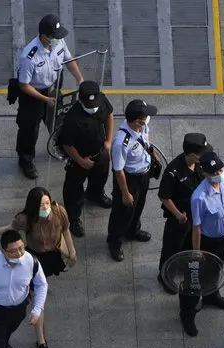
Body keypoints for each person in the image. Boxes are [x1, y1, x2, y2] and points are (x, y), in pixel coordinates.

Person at [0, 187, 76, 348]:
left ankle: (34, 302)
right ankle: (41, 341)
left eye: (47, 202)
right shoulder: (25, 219)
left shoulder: (59, 212)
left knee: (41, 287)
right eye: (40, 205)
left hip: (52, 256)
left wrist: (72, 252)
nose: (45, 207)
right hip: (34, 257)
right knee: (39, 297)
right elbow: (10, 228)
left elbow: (66, 231)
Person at [16, 14, 84, 179]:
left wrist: (80, 79)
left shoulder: (59, 41)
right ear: (44, 36)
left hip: (53, 88)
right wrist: (45, 99)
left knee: (58, 121)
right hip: (33, 94)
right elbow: (23, 85)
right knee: (29, 129)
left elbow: (69, 60)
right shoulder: (29, 56)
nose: (58, 39)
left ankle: (62, 147)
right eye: (54, 36)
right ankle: (26, 160)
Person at [180, 151, 224, 336]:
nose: (220, 173)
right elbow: (196, 226)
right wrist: (196, 252)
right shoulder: (199, 197)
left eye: (221, 168)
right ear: (205, 173)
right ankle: (187, 314)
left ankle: (211, 296)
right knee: (194, 281)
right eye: (215, 171)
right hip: (206, 243)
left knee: (215, 270)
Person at [157, 133, 212, 293]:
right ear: (192, 154)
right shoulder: (173, 171)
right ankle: (165, 276)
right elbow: (164, 197)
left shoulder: (200, 165)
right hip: (180, 218)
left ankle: (181, 267)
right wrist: (178, 215)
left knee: (189, 245)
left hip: (196, 216)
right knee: (171, 247)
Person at [59, 80, 115, 237]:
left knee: (101, 176)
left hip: (100, 152)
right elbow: (67, 145)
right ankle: (74, 218)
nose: (93, 108)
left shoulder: (102, 100)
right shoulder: (72, 118)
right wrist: (80, 161)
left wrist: (108, 141)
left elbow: (109, 117)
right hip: (80, 158)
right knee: (73, 189)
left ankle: (95, 194)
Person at [106, 99, 158, 261]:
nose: (148, 118)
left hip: (144, 174)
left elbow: (147, 143)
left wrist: (153, 158)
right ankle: (114, 241)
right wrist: (126, 193)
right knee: (122, 211)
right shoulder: (121, 143)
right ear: (137, 120)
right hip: (129, 180)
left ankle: (133, 230)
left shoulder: (142, 127)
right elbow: (118, 170)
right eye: (145, 116)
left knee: (139, 205)